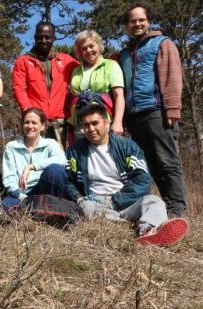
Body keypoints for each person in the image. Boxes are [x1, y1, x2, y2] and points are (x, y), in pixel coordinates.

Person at [66, 104, 188, 246]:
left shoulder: (127, 146)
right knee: (85, 208)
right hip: (96, 203)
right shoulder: (75, 151)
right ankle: (131, 224)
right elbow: (68, 180)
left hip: (127, 201)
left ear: (106, 123)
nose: (90, 129)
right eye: (86, 125)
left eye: (95, 123)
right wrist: (79, 198)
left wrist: (117, 201)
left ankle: (147, 230)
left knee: (154, 201)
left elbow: (142, 181)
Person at [118, 2, 187, 218]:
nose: (137, 24)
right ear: (127, 25)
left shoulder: (162, 43)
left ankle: (178, 211)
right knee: (146, 165)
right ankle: (160, 209)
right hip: (134, 117)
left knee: (167, 161)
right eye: (132, 21)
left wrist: (172, 109)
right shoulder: (124, 53)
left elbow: (174, 77)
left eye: (141, 20)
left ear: (148, 21)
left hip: (157, 111)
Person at [12, 22, 79, 145]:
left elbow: (84, 70)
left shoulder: (66, 60)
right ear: (35, 37)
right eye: (40, 37)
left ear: (54, 38)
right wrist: (30, 113)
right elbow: (19, 88)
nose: (43, 40)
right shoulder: (23, 61)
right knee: (35, 159)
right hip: (35, 121)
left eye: (48, 37)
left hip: (60, 120)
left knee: (60, 159)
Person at [2, 108, 67, 212]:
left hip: (45, 190)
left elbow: (62, 160)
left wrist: (32, 166)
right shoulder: (11, 147)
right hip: (22, 194)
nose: (30, 126)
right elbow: (9, 177)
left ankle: (52, 208)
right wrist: (21, 196)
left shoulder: (50, 143)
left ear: (43, 126)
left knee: (56, 170)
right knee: (7, 207)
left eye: (34, 123)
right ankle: (35, 209)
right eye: (26, 122)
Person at [67, 30, 125, 142]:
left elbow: (119, 96)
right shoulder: (76, 70)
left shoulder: (111, 65)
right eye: (84, 48)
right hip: (80, 122)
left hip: (102, 121)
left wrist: (118, 122)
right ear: (80, 52)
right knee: (82, 156)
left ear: (98, 45)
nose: (88, 50)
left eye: (91, 46)